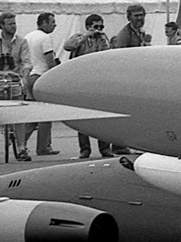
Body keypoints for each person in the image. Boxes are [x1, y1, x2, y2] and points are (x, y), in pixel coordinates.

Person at [63, 13, 113, 158]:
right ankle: (85, 149)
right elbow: (68, 46)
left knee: (103, 117)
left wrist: (102, 38)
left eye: (101, 26)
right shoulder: (79, 37)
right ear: (88, 27)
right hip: (81, 83)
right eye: (96, 27)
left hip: (99, 83)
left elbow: (108, 54)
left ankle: (105, 148)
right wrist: (86, 36)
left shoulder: (103, 39)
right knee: (82, 117)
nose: (99, 29)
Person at [21, 12, 61, 156]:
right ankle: (44, 147)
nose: (55, 25)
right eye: (52, 22)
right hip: (42, 77)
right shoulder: (46, 38)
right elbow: (50, 61)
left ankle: (20, 142)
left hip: (30, 76)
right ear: (44, 23)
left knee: (33, 115)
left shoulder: (28, 36)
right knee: (46, 114)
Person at [0, 12, 31, 160]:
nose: (13, 26)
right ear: (2, 25)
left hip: (14, 80)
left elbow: (26, 62)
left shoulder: (22, 41)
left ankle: (21, 148)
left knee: (19, 115)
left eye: (14, 23)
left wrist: (24, 77)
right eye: (10, 24)